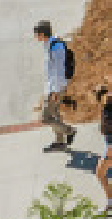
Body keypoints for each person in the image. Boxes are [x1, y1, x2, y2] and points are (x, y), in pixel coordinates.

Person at [35, 21, 74, 150]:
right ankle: (60, 142)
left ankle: (69, 130)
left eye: (37, 34)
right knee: (55, 114)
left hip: (56, 89)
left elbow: (58, 71)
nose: (36, 37)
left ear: (42, 34)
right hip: (52, 87)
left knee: (45, 118)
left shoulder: (56, 47)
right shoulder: (48, 44)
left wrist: (55, 93)